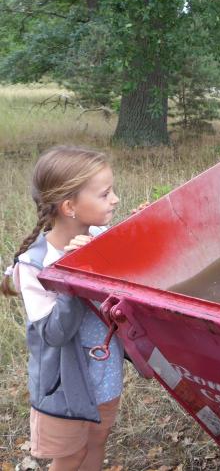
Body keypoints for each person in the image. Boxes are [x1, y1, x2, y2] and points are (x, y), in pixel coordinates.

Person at [1, 146, 124, 470]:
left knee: (97, 441)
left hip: (105, 371)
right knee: (71, 456)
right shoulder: (34, 265)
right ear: (70, 207)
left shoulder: (100, 236)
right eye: (105, 194)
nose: (115, 199)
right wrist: (73, 274)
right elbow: (55, 334)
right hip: (63, 387)